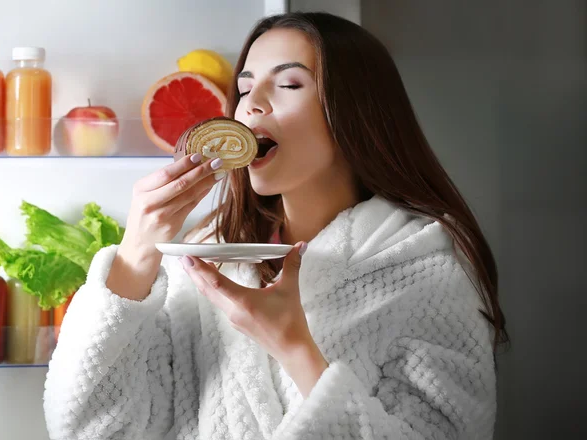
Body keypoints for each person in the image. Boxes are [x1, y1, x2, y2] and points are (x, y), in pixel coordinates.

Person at [43, 11, 507, 440]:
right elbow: (93, 427)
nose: (251, 106)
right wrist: (137, 253)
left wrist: (294, 347)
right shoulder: (209, 258)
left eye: (287, 85)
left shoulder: (425, 266)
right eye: (244, 89)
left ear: (354, 111)